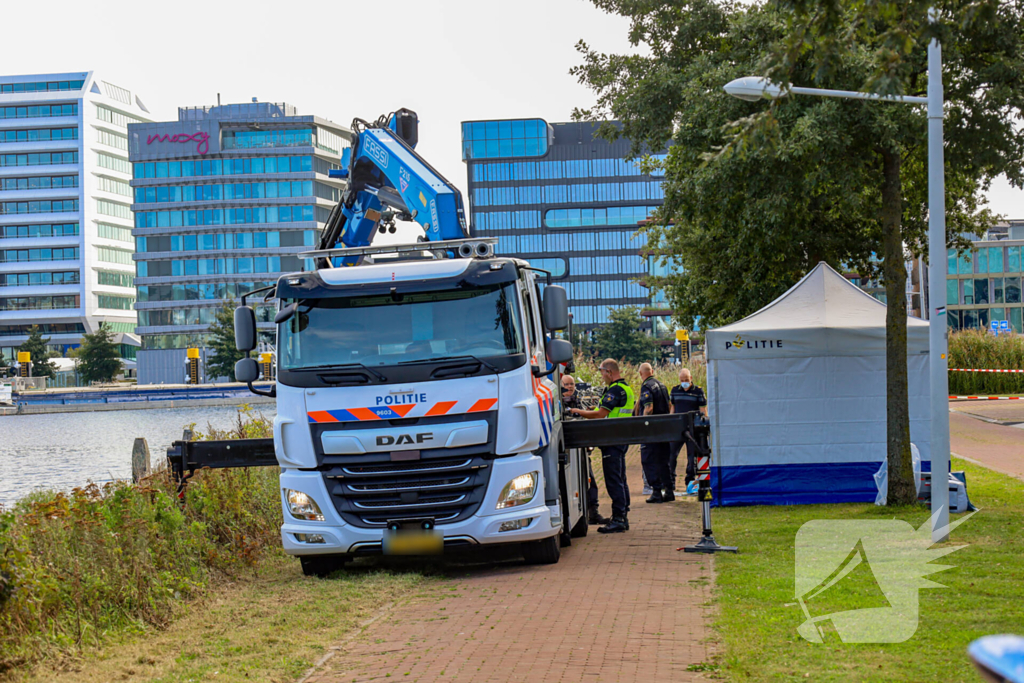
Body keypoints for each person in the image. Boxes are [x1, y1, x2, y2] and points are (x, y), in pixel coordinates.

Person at [567, 359, 634, 533]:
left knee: (613, 481)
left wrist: (578, 412)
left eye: (602, 372)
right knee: (621, 478)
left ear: (609, 372)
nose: (601, 376)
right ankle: (622, 515)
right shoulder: (626, 388)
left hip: (612, 439)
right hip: (621, 437)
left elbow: (600, 414)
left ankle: (619, 519)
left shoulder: (615, 390)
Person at [561, 374, 610, 526]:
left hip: (581, 451)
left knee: (590, 482)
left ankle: (593, 513)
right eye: (567, 384)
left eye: (572, 384)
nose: (570, 387)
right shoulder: (558, 404)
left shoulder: (578, 401)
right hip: (568, 452)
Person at [636, 362, 673, 503]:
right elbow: (669, 405)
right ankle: (669, 490)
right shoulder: (662, 385)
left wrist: (643, 426)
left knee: (648, 460)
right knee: (663, 461)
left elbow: (649, 407)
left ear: (641, 373)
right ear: (652, 371)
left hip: (651, 430)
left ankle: (656, 491)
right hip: (663, 429)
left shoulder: (646, 386)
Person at [669, 368, 708, 492]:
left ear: (691, 378)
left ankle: (689, 482)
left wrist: (703, 425)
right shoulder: (675, 391)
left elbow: (703, 410)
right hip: (677, 428)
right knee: (671, 455)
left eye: (686, 380)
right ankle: (671, 482)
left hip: (692, 429)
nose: (684, 382)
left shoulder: (698, 391)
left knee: (691, 458)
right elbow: (672, 409)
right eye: (682, 380)